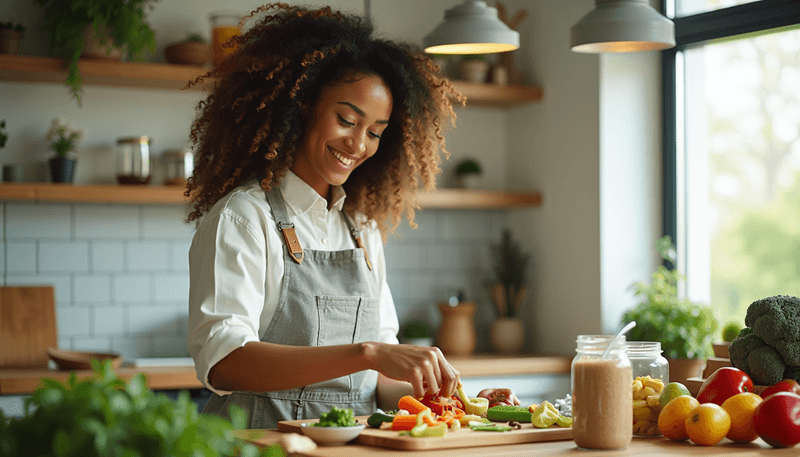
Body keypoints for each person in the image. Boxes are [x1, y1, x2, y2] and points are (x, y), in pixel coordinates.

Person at [185, 3, 518, 429]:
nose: (358, 144)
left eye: (376, 132)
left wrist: (457, 398)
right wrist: (368, 353)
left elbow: (377, 382)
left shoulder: (361, 231)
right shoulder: (244, 218)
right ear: (303, 105)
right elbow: (224, 362)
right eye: (347, 119)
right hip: (259, 445)